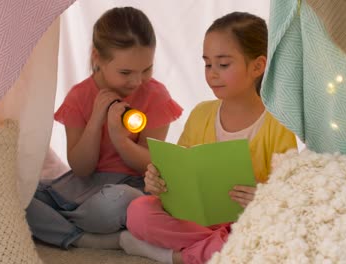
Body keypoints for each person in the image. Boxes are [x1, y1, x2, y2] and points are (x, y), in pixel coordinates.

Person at [121, 12, 298, 264]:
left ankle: (174, 256)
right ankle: (213, 250)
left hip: (245, 221)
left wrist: (263, 195)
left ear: (258, 66)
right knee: (138, 211)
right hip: (197, 220)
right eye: (207, 64)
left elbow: (289, 193)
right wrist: (158, 181)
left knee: (267, 236)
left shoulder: (278, 123)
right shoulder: (201, 114)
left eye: (223, 65)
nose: (212, 73)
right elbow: (179, 173)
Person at [25, 7, 183, 250]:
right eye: (126, 72)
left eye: (146, 70)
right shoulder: (79, 96)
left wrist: (121, 140)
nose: (137, 81)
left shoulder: (156, 95)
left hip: (128, 187)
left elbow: (151, 164)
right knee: (16, 195)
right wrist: (97, 119)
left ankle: (61, 228)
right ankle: (84, 238)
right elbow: (81, 168)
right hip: (82, 186)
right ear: (97, 57)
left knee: (119, 202)